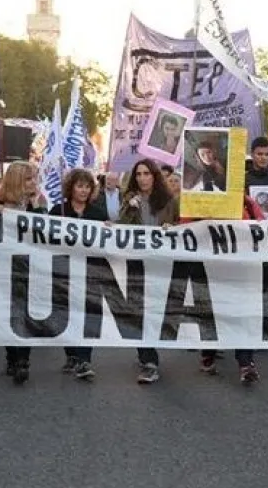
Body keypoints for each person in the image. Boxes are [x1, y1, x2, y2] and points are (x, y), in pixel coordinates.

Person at [181, 195, 264, 385]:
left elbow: (262, 228)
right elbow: (184, 230)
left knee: (243, 314)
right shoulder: (196, 201)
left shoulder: (247, 202)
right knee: (212, 313)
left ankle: (246, 363)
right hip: (208, 268)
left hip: (240, 269)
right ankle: (208, 353)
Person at [119, 158, 178, 384]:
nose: (142, 178)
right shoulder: (129, 200)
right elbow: (120, 229)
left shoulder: (169, 201)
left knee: (155, 311)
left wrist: (172, 228)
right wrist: (128, 210)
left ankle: (149, 351)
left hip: (160, 264)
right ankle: (149, 360)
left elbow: (181, 227)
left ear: (154, 176)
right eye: (139, 174)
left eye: (146, 174)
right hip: (136, 264)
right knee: (137, 310)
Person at [52, 168, 109, 381]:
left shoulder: (98, 213)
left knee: (89, 315)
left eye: (87, 186)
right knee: (66, 313)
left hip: (90, 272)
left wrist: (109, 229)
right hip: (64, 272)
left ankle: (85, 359)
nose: (84, 190)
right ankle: (72, 354)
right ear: (71, 187)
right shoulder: (59, 211)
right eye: (80, 186)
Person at [0, 161, 43, 384]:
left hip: (30, 266)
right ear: (17, 181)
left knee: (24, 313)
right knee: (8, 313)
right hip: (3, 266)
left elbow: (46, 231)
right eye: (29, 179)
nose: (34, 183)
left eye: (35, 178)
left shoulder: (39, 202)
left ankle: (23, 360)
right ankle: (11, 356)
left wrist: (36, 207)